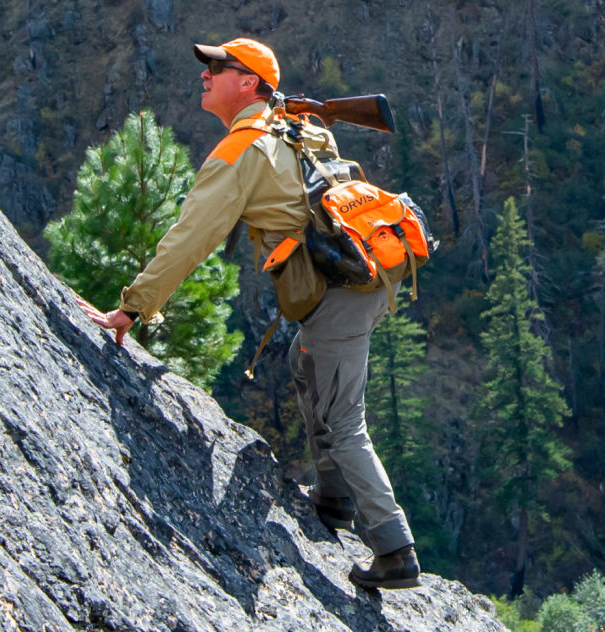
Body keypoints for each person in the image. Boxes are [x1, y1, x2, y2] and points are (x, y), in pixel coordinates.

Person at [79, 37, 420, 590]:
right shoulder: (300, 127)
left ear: (249, 84)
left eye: (218, 67)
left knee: (344, 420)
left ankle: (394, 550)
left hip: (340, 291)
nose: (205, 74)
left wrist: (132, 309)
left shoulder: (241, 151)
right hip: (365, 270)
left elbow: (191, 238)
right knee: (304, 364)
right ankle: (333, 501)